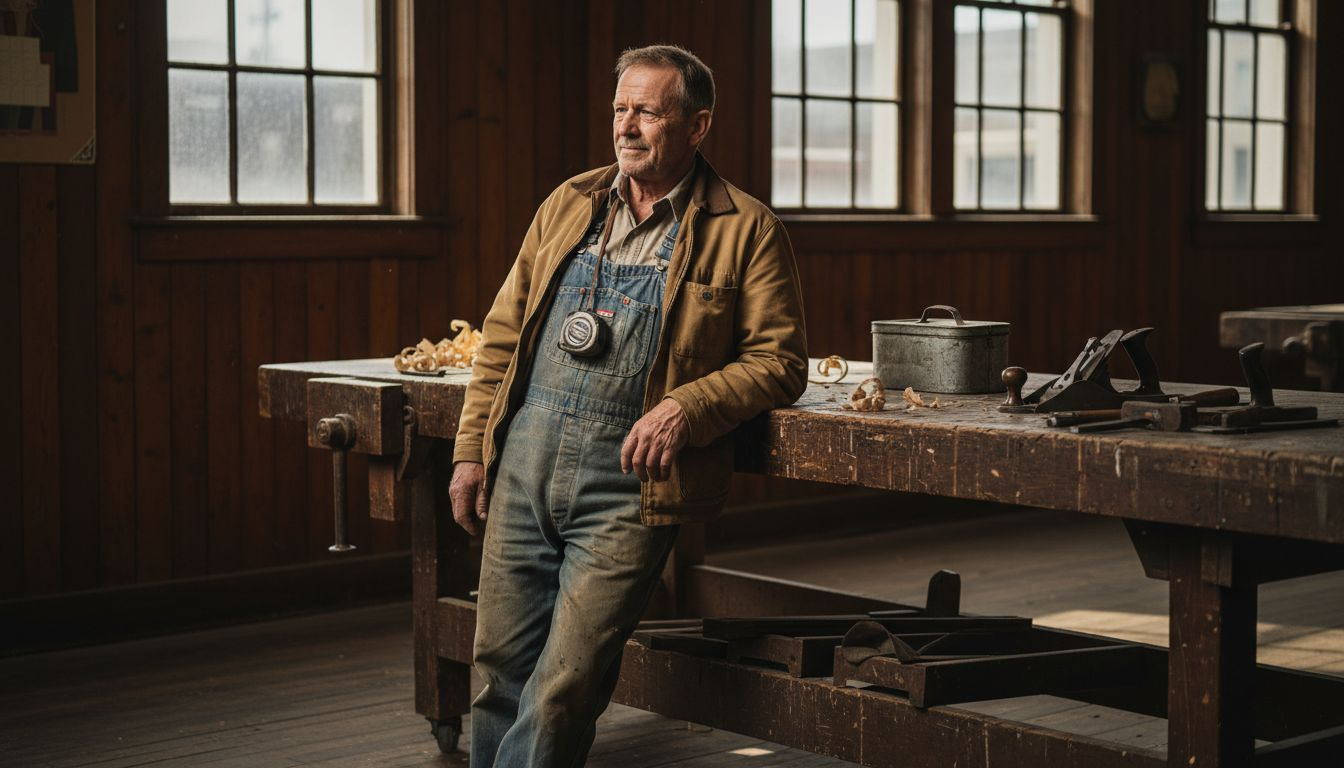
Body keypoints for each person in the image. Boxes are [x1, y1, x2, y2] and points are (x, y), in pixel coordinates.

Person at [449, 44, 808, 767]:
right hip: (523, 466)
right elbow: (502, 337)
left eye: (648, 111)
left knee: (564, 686)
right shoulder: (569, 204)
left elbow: (780, 361)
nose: (627, 126)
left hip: (629, 487)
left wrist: (688, 406)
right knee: (496, 672)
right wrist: (469, 452)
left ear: (697, 126)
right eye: (620, 109)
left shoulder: (745, 229)